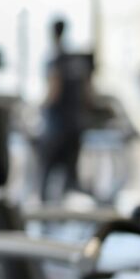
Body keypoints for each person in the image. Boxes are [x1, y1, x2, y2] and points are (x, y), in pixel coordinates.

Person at [38, 18, 94, 202]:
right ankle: (70, 213)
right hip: (76, 124)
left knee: (46, 174)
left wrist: (37, 108)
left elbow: (54, 92)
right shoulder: (77, 59)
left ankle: (47, 216)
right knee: (71, 175)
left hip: (56, 126)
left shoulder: (55, 59)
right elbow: (88, 94)